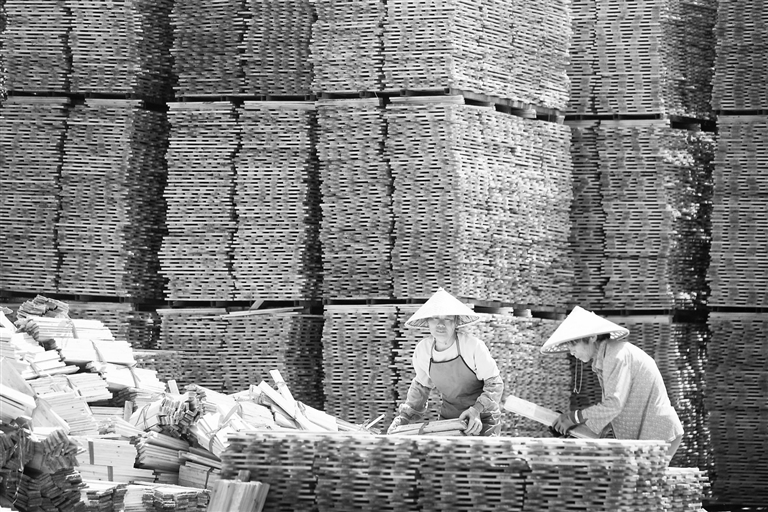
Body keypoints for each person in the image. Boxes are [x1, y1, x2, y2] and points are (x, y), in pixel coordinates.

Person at [542, 306, 684, 458]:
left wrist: (574, 418)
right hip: (648, 436)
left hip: (658, 433)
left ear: (592, 337)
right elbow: (609, 415)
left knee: (637, 474)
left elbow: (613, 404)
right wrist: (574, 430)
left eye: (574, 344)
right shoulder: (605, 358)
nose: (571, 351)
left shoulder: (616, 355)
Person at [387, 287, 504, 436]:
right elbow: (420, 388)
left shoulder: (472, 346)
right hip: (450, 420)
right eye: (435, 318)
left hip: (481, 419)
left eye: (447, 319)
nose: (440, 324)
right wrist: (404, 417)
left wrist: (476, 410)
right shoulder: (424, 350)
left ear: (455, 322)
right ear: (427, 321)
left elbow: (495, 384)